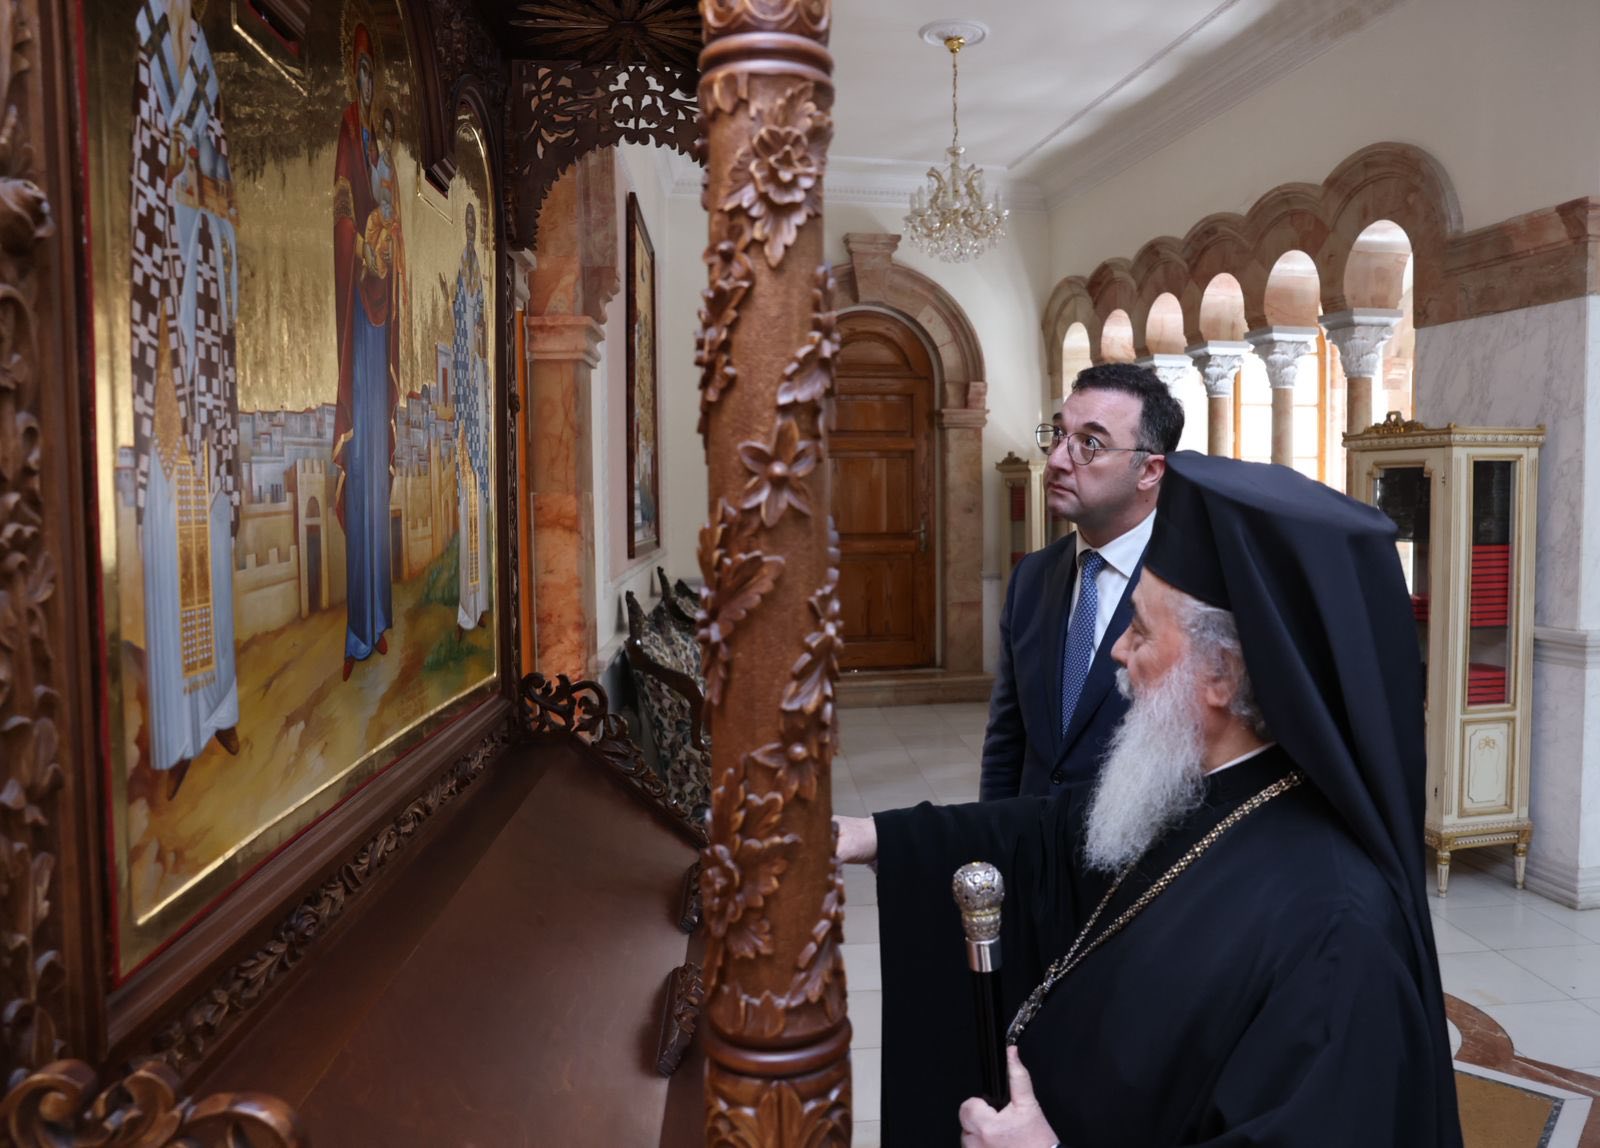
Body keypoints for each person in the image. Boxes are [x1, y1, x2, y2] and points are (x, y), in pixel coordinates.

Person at [836, 453, 1462, 1147]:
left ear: (1222, 674)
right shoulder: (1197, 789)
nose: (1117, 652)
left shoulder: (1338, 934)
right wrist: (876, 838)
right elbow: (1051, 832)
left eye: (1138, 630)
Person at [129, 0, 243, 799]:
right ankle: (175, 733)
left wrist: (202, 192)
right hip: (163, 324)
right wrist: (174, 195)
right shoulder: (144, 47)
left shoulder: (201, 62)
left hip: (204, 316)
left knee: (212, 512)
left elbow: (225, 198)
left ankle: (220, 706)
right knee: (172, 517)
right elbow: (140, 189)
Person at [981, 363, 1182, 800]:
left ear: (1149, 471)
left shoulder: (1190, 584)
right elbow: (1007, 742)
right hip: (1033, 834)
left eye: (1089, 443)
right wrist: (993, 830)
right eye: (1058, 435)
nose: (1056, 460)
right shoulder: (1032, 576)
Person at [332, 23, 403, 681]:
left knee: (377, 468)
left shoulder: (384, 152)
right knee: (360, 468)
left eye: (370, 74)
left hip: (382, 325)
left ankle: (380, 617)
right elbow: (341, 214)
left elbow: (395, 228)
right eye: (357, 71)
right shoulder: (350, 136)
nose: (364, 82)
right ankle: (358, 629)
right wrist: (363, 247)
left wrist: (390, 248)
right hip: (359, 315)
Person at [452, 201, 492, 632]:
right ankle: (467, 605)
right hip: (468, 390)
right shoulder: (464, 271)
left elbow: (480, 320)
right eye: (464, 222)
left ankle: (480, 604)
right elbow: (461, 318)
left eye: (471, 223)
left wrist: (480, 331)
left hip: (478, 388)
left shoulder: (478, 272)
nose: (468, 228)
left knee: (479, 502)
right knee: (468, 504)